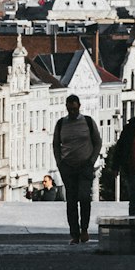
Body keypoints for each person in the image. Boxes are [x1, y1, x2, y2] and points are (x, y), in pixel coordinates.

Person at [52, 95, 102, 245]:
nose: (72, 111)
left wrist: (92, 161)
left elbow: (97, 142)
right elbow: (55, 144)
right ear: (66, 107)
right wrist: (60, 163)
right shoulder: (61, 124)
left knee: (85, 197)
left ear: (79, 106)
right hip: (68, 167)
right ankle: (75, 233)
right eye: (70, 108)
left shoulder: (87, 122)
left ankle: (84, 229)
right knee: (71, 201)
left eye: (74, 108)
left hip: (85, 166)